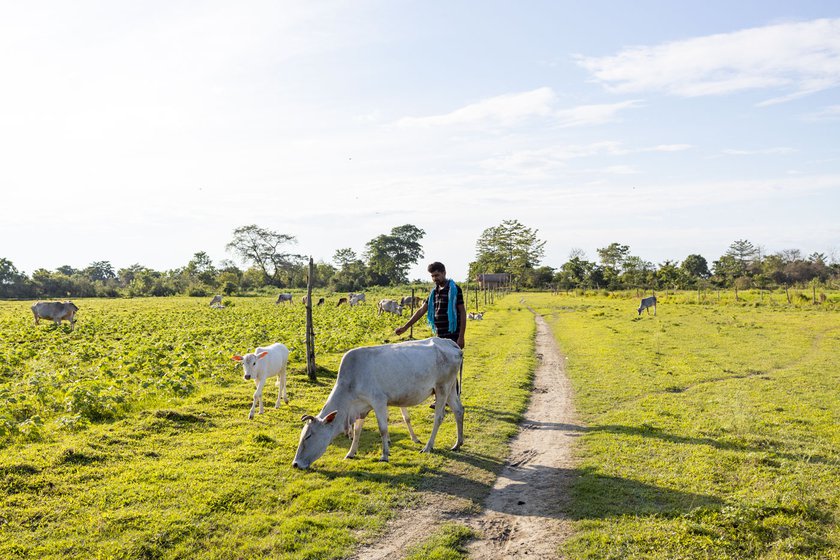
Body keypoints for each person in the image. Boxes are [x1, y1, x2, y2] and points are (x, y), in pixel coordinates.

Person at [395, 261, 466, 349]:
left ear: (444, 273)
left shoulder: (454, 290)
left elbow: (462, 312)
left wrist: (461, 336)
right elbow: (421, 310)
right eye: (432, 276)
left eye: (437, 275)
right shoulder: (434, 292)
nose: (434, 278)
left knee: (454, 361)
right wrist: (405, 327)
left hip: (453, 335)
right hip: (439, 335)